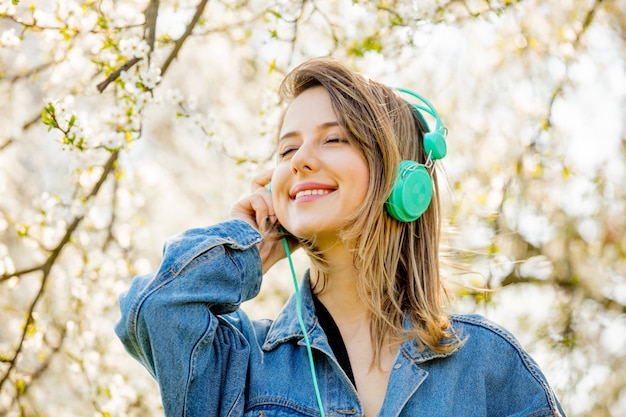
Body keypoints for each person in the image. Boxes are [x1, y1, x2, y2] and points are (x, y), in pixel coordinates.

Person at [115, 57, 566, 417]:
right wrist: (248, 244)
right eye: (288, 149)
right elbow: (154, 309)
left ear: (405, 182)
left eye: (333, 140)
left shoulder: (487, 364)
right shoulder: (243, 363)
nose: (299, 161)